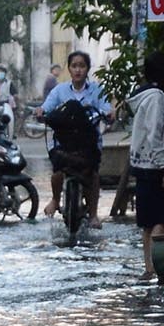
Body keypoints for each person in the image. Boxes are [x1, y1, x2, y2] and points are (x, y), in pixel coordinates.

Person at [38, 51, 113, 227]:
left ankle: (93, 214)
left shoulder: (97, 90)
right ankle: (55, 200)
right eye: (74, 66)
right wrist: (41, 111)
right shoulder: (59, 90)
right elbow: (47, 107)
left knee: (93, 174)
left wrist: (110, 113)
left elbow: (107, 109)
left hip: (89, 143)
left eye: (82, 66)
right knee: (57, 170)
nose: (78, 70)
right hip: (63, 142)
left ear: (87, 69)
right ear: (69, 69)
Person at [127, 52, 164, 276]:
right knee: (161, 220)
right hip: (154, 167)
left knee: (148, 223)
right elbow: (155, 134)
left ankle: (149, 268)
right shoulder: (157, 97)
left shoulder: (142, 97)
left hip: (140, 166)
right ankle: (159, 268)